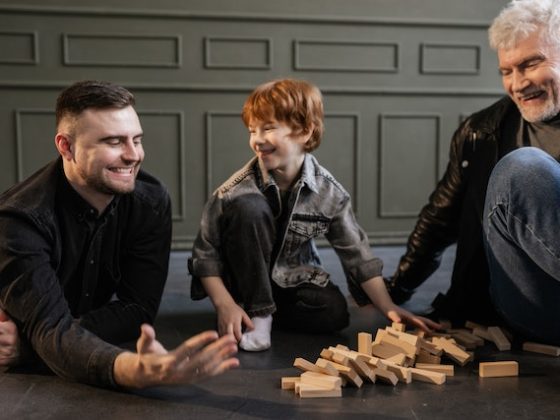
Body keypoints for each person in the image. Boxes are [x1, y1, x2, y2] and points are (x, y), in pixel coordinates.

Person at [0, 80, 238, 388]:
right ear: (66, 146)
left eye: (136, 140)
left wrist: (37, 343)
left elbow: (138, 308)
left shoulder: (150, 201)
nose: (133, 155)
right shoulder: (21, 219)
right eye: (114, 142)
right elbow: (49, 326)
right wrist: (130, 370)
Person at [188, 78, 438, 352]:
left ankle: (265, 312)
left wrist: (387, 305)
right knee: (251, 207)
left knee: (334, 314)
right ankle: (255, 313)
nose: (257, 140)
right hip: (240, 284)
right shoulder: (233, 191)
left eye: (268, 128)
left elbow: (357, 255)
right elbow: (205, 256)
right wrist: (224, 304)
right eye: (252, 130)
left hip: (289, 280)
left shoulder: (329, 192)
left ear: (305, 131)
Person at [386, 0, 560, 345]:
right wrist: (395, 291)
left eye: (530, 64)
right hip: (532, 304)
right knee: (522, 169)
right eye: (506, 72)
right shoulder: (483, 131)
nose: (518, 83)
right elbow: (441, 217)